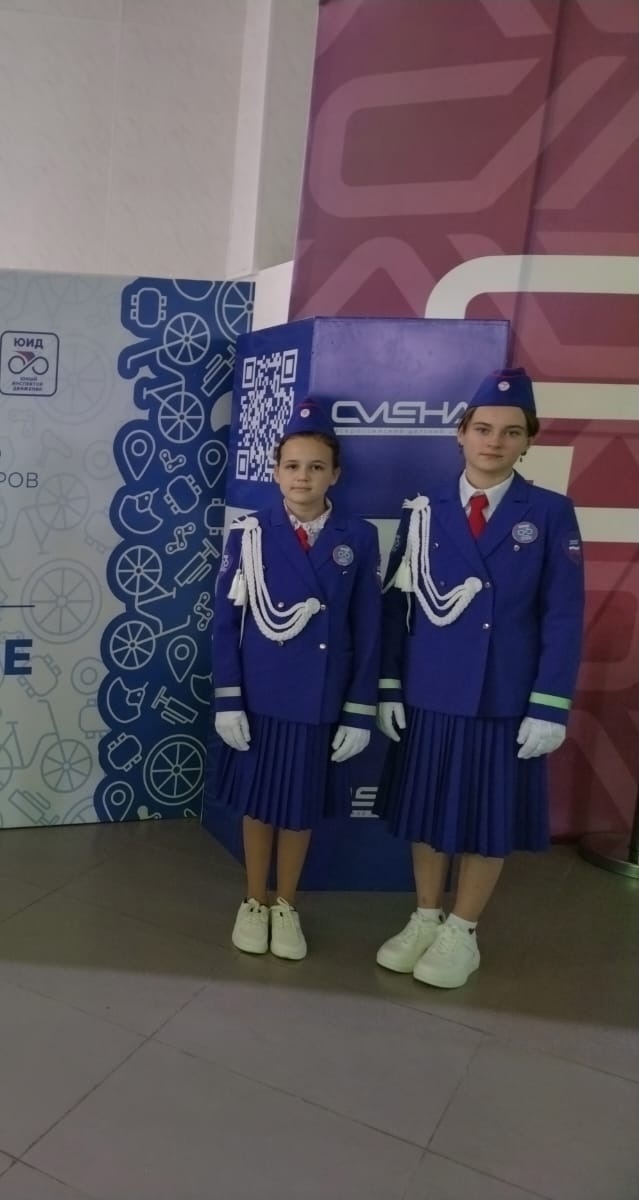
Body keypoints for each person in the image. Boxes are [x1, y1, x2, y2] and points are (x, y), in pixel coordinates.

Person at [375, 367, 584, 989]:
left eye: (511, 431)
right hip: (430, 689)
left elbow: (563, 614)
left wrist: (549, 704)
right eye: (483, 428)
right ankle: (425, 916)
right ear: (460, 433)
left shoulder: (548, 513)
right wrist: (389, 684)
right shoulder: (424, 509)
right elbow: (397, 606)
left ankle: (462, 931)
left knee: (484, 818)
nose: (495, 441)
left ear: (528, 441)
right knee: (427, 811)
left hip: (502, 696)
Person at [211, 398, 380, 959]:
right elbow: (225, 622)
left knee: (300, 807)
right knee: (259, 804)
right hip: (262, 692)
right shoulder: (250, 533)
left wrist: (359, 707)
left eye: (315, 467)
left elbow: (367, 628)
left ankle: (286, 903)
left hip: (320, 696)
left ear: (335, 474)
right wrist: (228, 698)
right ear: (275, 471)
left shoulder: (357, 537)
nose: (302, 477)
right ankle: (253, 899)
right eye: (291, 466)